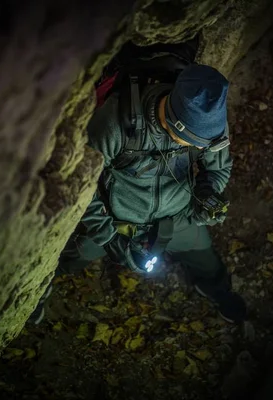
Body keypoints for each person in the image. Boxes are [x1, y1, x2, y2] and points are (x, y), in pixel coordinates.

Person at [35, 62, 247, 324]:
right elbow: (81, 189)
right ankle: (38, 290)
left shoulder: (210, 126)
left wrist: (207, 192)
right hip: (117, 220)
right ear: (176, 125)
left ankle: (216, 288)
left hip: (177, 215)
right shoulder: (115, 125)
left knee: (206, 259)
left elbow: (219, 167)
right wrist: (110, 239)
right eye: (196, 144)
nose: (203, 148)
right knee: (69, 257)